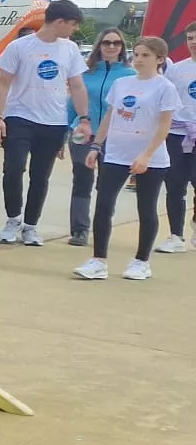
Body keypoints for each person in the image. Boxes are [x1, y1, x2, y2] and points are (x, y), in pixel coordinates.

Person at [77, 37, 178, 281]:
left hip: (150, 157)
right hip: (116, 154)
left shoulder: (165, 87)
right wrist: (96, 146)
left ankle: (141, 261)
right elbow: (110, 117)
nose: (139, 59)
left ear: (160, 59)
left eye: (146, 56)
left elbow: (165, 126)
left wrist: (146, 155)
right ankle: (98, 260)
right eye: (138, 55)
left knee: (146, 207)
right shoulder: (122, 84)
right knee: (103, 205)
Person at [0, 0, 92, 245]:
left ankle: (30, 225)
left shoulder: (69, 50)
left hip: (53, 121)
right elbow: (3, 84)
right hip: (20, 117)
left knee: (41, 175)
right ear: (59, 22)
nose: (74, 30)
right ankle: (13, 218)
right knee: (14, 168)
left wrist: (84, 119)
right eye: (72, 24)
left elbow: (77, 86)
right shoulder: (20, 47)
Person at [67, 31, 135, 246]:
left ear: (123, 47)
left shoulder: (129, 75)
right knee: (82, 181)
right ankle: (79, 230)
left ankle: (101, 227)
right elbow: (72, 104)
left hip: (114, 136)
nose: (111, 46)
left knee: (107, 186)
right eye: (106, 42)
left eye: (116, 43)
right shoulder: (85, 73)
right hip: (83, 133)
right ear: (99, 46)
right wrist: (62, 134)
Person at [157, 32, 196, 254]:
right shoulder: (176, 70)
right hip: (177, 134)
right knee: (175, 185)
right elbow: (165, 101)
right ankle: (176, 235)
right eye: (190, 38)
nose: (194, 42)